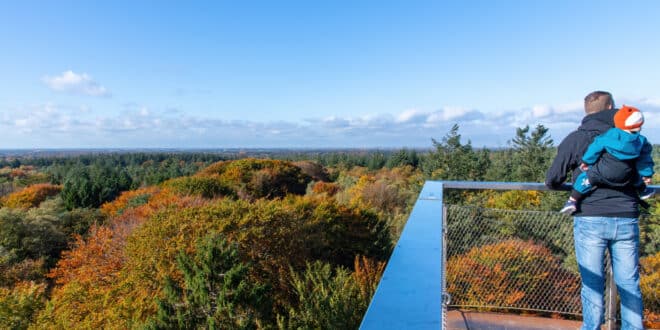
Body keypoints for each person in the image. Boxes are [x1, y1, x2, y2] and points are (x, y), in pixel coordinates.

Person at [546, 91, 644, 330]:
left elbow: (552, 179)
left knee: (592, 282)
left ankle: (591, 327)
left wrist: (575, 184)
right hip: (625, 215)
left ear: (586, 112)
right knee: (629, 282)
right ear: (610, 106)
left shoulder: (576, 138)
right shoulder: (629, 137)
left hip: (590, 216)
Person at [560, 104, 655, 215]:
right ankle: (643, 190)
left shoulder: (610, 135)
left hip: (603, 172)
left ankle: (572, 201)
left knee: (585, 178)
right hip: (626, 175)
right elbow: (644, 161)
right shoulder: (641, 141)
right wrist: (647, 175)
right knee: (636, 177)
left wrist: (586, 161)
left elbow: (595, 148)